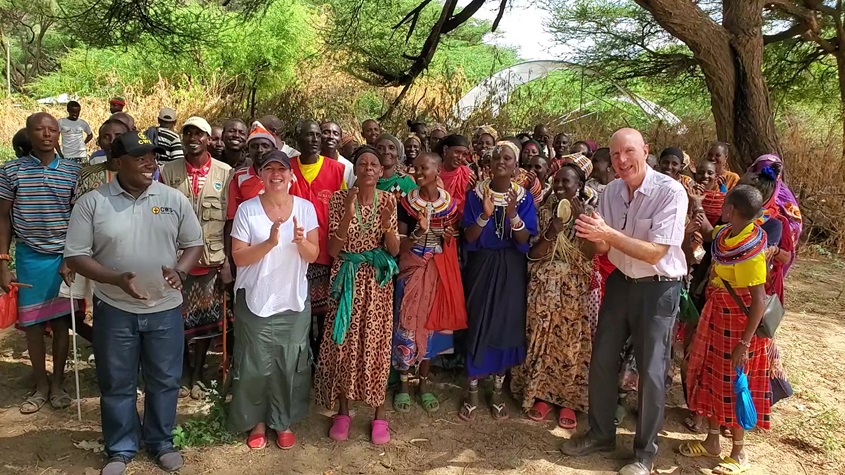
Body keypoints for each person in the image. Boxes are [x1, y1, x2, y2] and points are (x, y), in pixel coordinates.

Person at [64, 131, 203, 475]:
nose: (148, 161)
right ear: (116, 162)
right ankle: (121, 447)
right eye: (138, 156)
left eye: (152, 155)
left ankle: (160, 442)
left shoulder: (173, 199)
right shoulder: (92, 203)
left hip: (165, 309)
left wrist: (181, 272)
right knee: (117, 382)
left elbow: (193, 243)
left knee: (165, 380)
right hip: (115, 309)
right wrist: (114, 279)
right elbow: (77, 255)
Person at [562, 128, 688, 475]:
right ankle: (601, 434)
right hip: (620, 281)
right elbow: (603, 248)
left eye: (629, 152)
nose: (621, 160)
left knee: (651, 370)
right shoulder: (612, 191)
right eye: (615, 154)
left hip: (659, 287)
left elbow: (655, 251)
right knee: (602, 358)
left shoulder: (670, 192)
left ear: (645, 151)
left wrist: (608, 235)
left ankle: (644, 454)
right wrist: (589, 235)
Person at [227, 150, 320, 450]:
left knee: (287, 363)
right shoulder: (247, 211)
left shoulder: (305, 209)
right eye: (269, 169)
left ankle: (282, 421)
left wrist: (301, 241)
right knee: (255, 364)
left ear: (291, 175)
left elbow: (313, 255)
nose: (276, 174)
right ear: (261, 175)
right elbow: (239, 257)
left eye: (282, 168)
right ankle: (257, 421)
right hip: (256, 300)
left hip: (292, 301)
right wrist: (269, 242)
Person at [681, 185, 770, 475]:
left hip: (740, 327)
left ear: (730, 210)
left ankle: (739, 452)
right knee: (711, 376)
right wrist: (696, 204)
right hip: (718, 318)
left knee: (734, 383)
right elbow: (709, 234)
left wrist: (744, 345)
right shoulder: (729, 235)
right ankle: (712, 441)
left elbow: (758, 301)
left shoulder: (750, 250)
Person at [315, 145, 400, 445]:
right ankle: (343, 411)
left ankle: (379, 414)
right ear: (355, 169)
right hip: (346, 277)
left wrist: (389, 225)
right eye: (362, 163)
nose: (368, 168)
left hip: (376, 284)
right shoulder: (340, 199)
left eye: (373, 164)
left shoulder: (389, 199)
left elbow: (394, 250)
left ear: (380, 171)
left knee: (375, 342)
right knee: (344, 344)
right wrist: (348, 217)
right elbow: (334, 251)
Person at [0, 112, 82, 415]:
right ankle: (41, 385)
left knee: (62, 324)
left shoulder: (74, 171)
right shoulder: (11, 171)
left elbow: (80, 219)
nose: (47, 134)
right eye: (40, 129)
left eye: (52, 129)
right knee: (33, 326)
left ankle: (59, 383)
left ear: (59, 134)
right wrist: (3, 262)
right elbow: (3, 218)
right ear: (28, 133)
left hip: (64, 257)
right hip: (29, 256)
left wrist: (73, 257)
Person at [511, 158, 597, 430]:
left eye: (566, 181)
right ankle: (540, 396)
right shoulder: (543, 213)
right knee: (539, 340)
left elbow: (588, 256)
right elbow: (534, 255)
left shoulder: (591, 216)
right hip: (542, 290)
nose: (559, 185)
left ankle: (567, 400)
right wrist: (551, 232)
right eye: (556, 181)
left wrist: (583, 225)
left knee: (569, 345)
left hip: (573, 292)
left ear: (579, 185)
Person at [459, 141, 538, 422]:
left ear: (516, 166)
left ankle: (496, 391)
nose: (501, 161)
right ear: (489, 164)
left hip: (512, 269)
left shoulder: (525, 198)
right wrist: (485, 215)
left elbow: (524, 240)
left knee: (505, 325)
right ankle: (471, 392)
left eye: (507, 158)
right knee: (478, 321)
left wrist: (514, 215)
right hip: (482, 266)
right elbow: (468, 237)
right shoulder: (475, 195)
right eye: (496, 157)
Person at [160, 116, 233, 400]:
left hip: (210, 260)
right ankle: (183, 371)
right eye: (187, 133)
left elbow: (229, 221)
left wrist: (227, 261)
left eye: (198, 134)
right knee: (177, 321)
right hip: (176, 261)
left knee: (205, 321)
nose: (193, 138)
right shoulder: (168, 171)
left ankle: (199, 373)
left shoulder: (225, 173)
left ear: (207, 139)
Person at [392, 152, 466, 414]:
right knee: (406, 325)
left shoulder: (451, 205)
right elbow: (400, 247)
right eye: (416, 167)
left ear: (437, 172)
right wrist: (418, 232)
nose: (418, 171)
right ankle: (402, 384)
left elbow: (451, 240)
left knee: (431, 326)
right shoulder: (405, 203)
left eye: (424, 167)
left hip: (437, 271)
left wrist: (447, 237)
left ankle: (423, 383)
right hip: (412, 269)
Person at [290, 120, 347, 361]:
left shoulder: (336, 170)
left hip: (326, 254)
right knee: (298, 311)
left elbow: (345, 210)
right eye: (309, 135)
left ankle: (321, 362)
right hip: (293, 255)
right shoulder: (287, 168)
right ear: (298, 139)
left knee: (324, 313)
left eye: (317, 135)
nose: (314, 139)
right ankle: (301, 359)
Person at [746, 153, 802, 273]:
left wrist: (775, 248)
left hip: (768, 271)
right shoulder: (743, 201)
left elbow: (795, 225)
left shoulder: (780, 218)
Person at [76, 119, 131, 198]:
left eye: (118, 136)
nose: (112, 141)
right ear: (99, 142)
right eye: (106, 137)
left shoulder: (140, 173)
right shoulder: (88, 174)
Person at [437, 134, 474, 214]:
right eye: (457, 152)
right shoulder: (433, 172)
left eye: (464, 155)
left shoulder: (468, 175)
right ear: (445, 149)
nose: (460, 157)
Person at [376, 134, 417, 200]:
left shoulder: (406, 182)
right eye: (380, 148)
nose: (386, 152)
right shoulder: (368, 181)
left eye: (391, 148)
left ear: (398, 156)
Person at [320, 121, 356, 187]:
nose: (331, 136)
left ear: (340, 140)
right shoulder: (310, 162)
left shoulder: (348, 168)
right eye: (326, 133)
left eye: (336, 134)